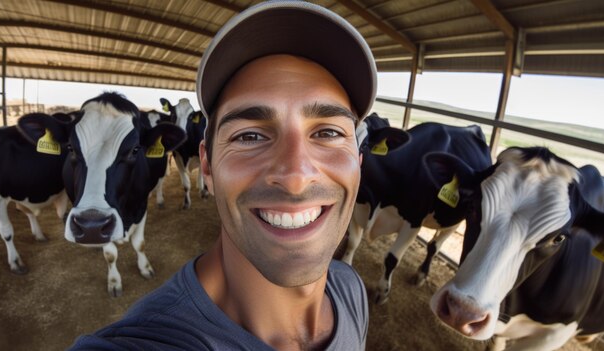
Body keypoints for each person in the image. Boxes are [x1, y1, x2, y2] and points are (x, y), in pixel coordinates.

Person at [69, 1, 377, 350]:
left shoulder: (351, 291)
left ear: (359, 162)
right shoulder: (145, 342)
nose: (295, 177)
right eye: (249, 136)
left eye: (328, 133)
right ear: (208, 167)